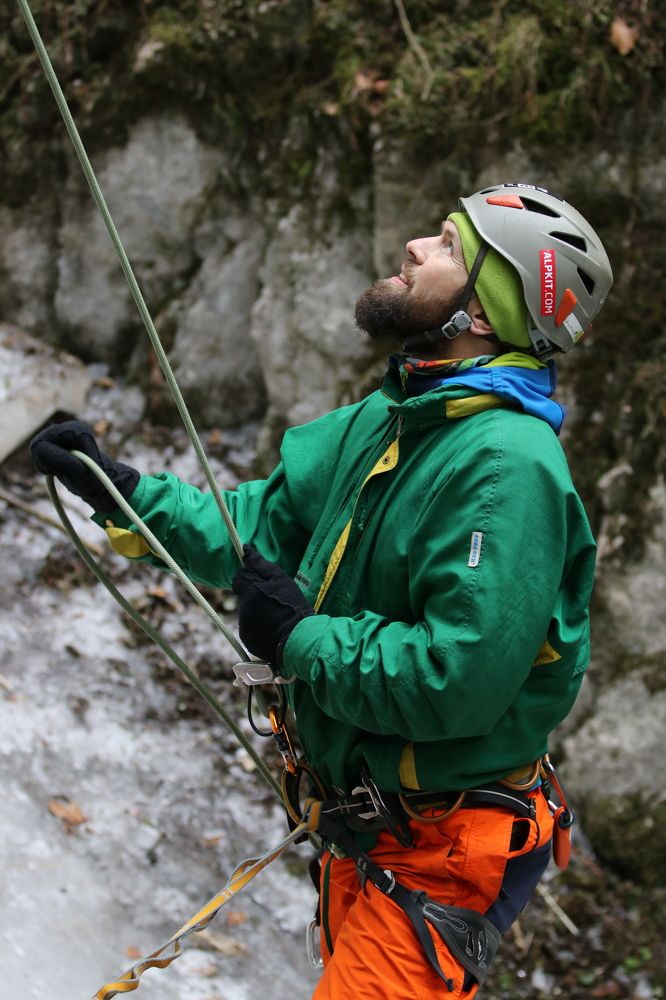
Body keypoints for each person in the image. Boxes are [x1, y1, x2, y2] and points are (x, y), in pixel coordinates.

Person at [31, 182, 613, 998]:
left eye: (448, 246)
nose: (416, 248)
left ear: (480, 315)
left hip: (437, 860)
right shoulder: (399, 417)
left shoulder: (504, 469)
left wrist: (302, 637)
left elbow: (457, 680)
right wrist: (121, 491)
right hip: (377, 837)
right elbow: (254, 526)